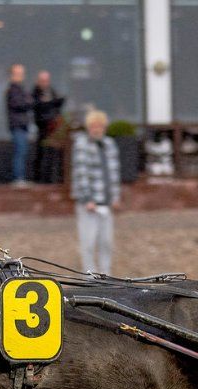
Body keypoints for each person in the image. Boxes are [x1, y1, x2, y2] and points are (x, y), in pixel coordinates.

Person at [71, 109, 121, 274]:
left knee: (106, 241)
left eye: (100, 126)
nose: (97, 129)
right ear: (89, 127)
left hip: (105, 201)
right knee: (89, 241)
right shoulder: (81, 145)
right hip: (90, 203)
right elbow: (81, 173)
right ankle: (90, 275)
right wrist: (87, 198)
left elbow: (114, 173)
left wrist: (115, 196)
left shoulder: (109, 144)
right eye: (94, 126)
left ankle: (106, 274)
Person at [32, 71, 65, 181]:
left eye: (46, 81)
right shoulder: (35, 92)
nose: (45, 83)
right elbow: (35, 106)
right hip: (42, 127)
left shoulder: (52, 91)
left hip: (53, 127)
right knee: (41, 153)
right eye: (42, 81)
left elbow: (56, 106)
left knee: (54, 153)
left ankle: (54, 177)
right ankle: (39, 178)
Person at [5, 64, 32, 186]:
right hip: (18, 125)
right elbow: (19, 104)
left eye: (22, 73)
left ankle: (20, 177)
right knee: (20, 152)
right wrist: (28, 102)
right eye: (18, 73)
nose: (21, 76)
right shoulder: (13, 90)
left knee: (22, 151)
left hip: (22, 125)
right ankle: (18, 178)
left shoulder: (20, 89)